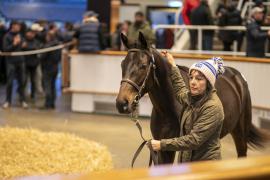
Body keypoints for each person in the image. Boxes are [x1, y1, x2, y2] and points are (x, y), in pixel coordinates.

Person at [150, 51, 225, 162]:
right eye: (191, 77)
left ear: (208, 82)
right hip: (188, 162)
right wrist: (172, 65)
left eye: (199, 79)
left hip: (206, 166)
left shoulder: (212, 107)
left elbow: (194, 140)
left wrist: (162, 144)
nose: (193, 82)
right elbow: (180, 90)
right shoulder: (193, 98)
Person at [2, 21, 28, 109]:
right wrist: (14, 44)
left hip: (21, 61)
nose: (19, 27)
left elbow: (24, 46)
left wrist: (24, 45)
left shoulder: (20, 35)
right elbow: (5, 49)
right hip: (11, 62)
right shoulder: (7, 36)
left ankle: (23, 100)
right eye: (17, 26)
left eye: (20, 26)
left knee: (22, 82)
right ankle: (8, 101)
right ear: (13, 26)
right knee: (9, 82)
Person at [40, 31, 61, 109]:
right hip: (55, 68)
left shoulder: (48, 46)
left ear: (49, 37)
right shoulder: (58, 45)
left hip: (47, 68)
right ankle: (52, 104)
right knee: (53, 86)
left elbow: (42, 56)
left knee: (47, 86)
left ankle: (47, 104)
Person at [23, 28, 40, 101]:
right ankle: (22, 94)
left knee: (33, 80)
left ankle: (33, 94)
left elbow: (37, 49)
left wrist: (28, 48)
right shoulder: (24, 41)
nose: (30, 34)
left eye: (32, 33)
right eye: (29, 33)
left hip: (34, 64)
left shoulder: (36, 41)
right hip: (25, 63)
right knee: (24, 79)